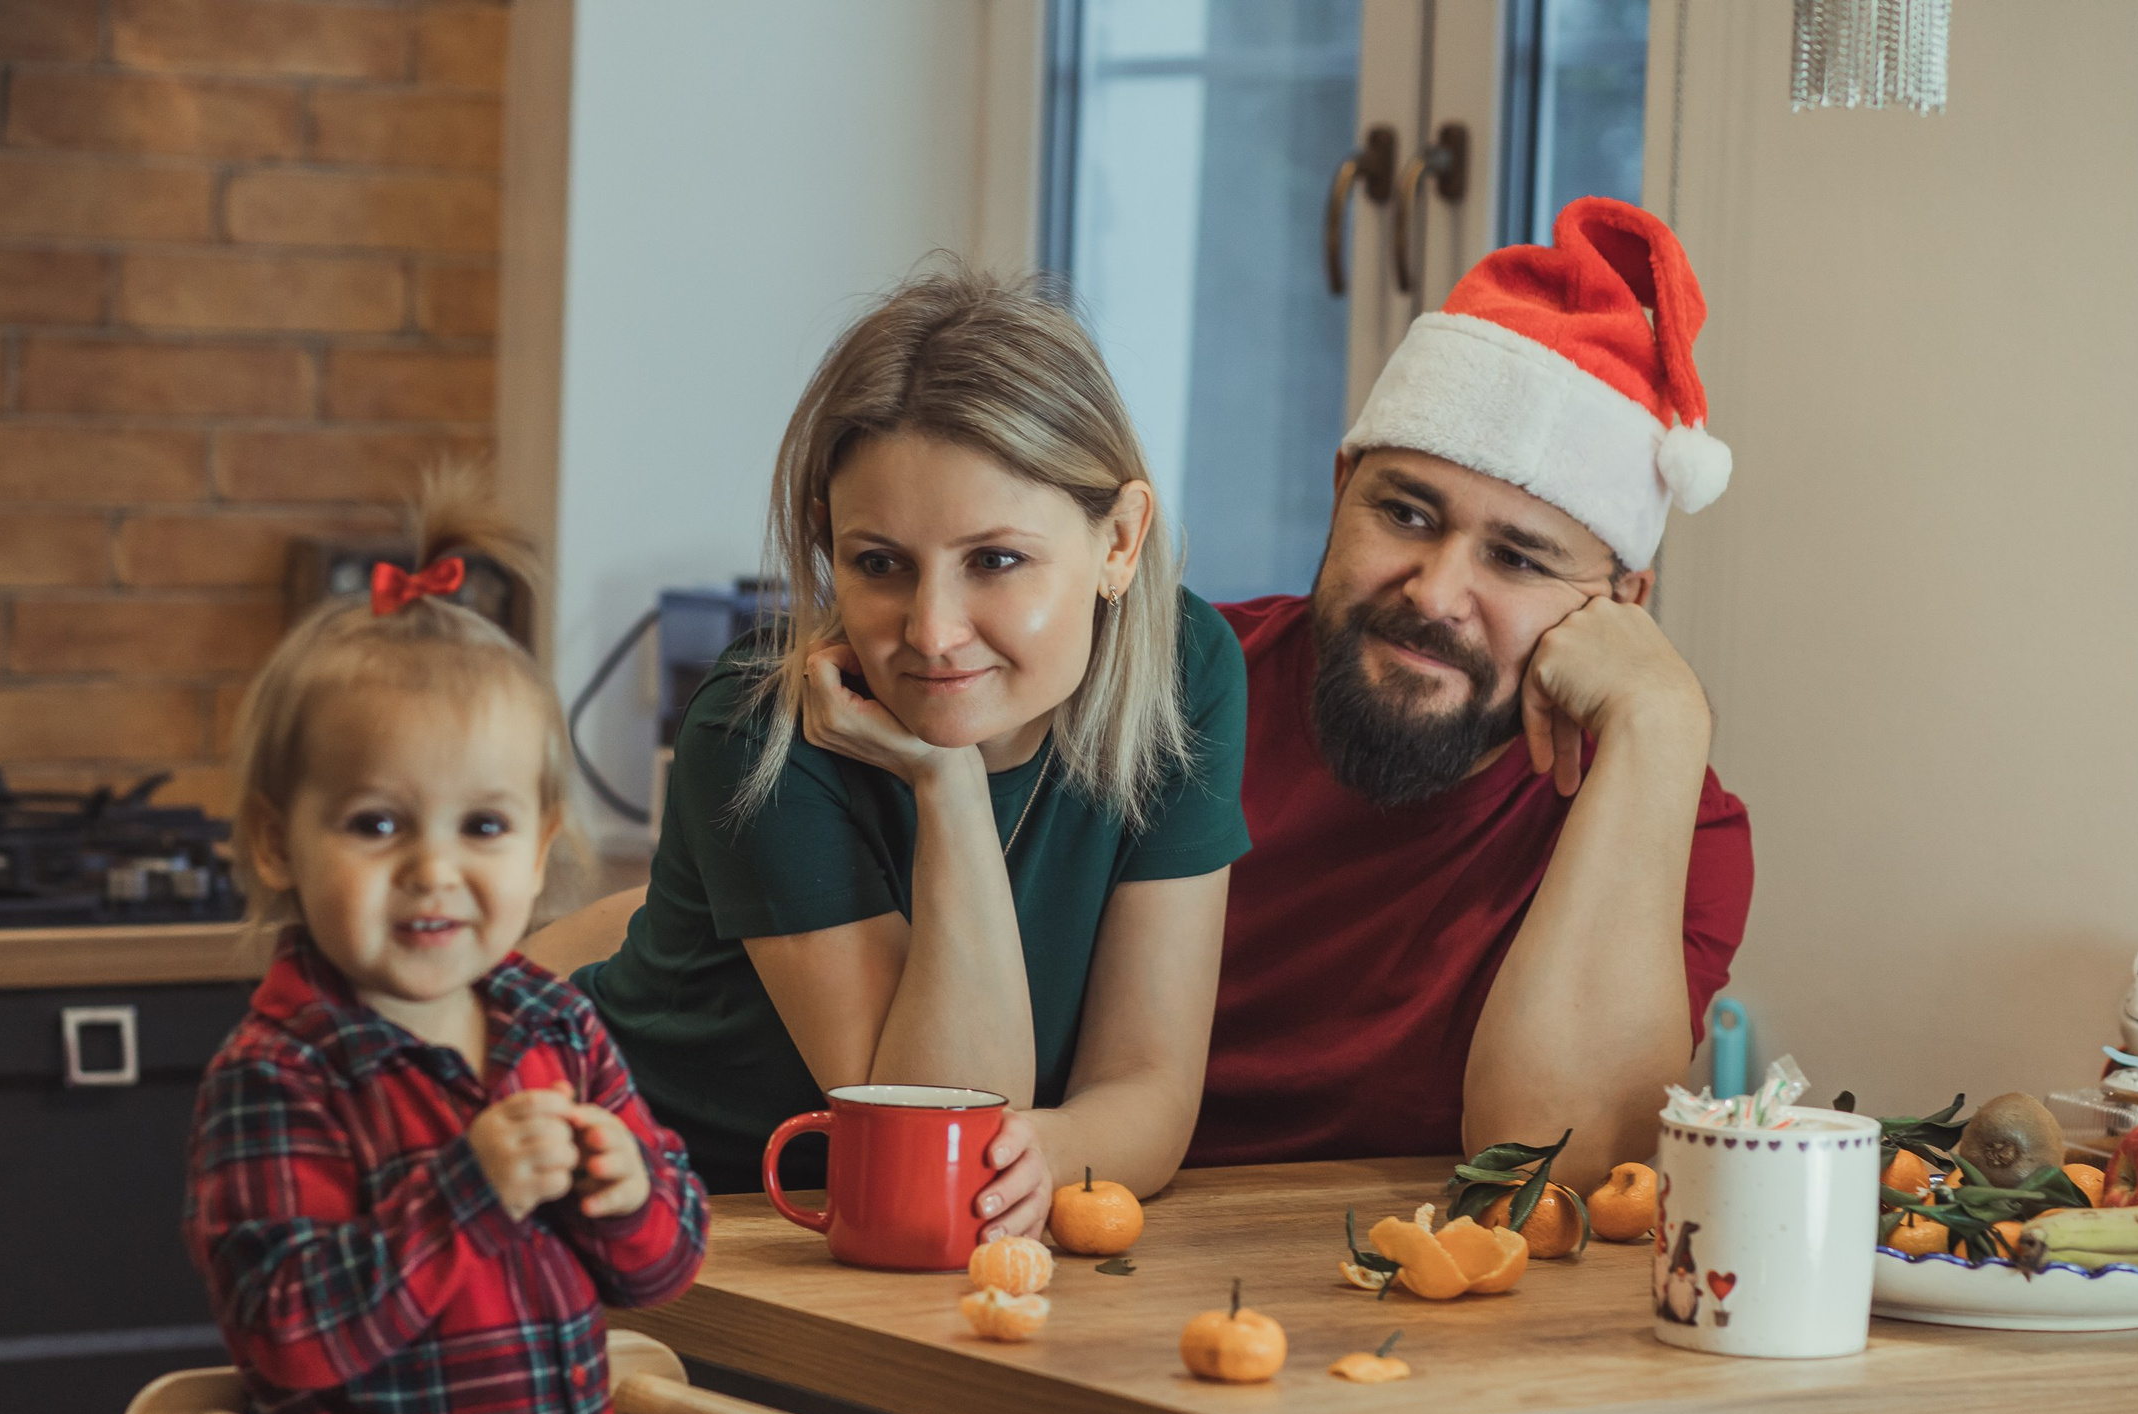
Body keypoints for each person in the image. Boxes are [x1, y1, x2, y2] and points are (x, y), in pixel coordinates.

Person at [565, 270, 1251, 1233]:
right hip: (663, 1215)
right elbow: (934, 1130)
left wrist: (1047, 1152)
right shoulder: (755, 729)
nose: (932, 632)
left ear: (1121, 541)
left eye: (995, 560)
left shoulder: (1184, 672)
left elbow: (1147, 1089)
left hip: (891, 1242)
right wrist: (948, 779)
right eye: (879, 564)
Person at [184, 476, 707, 1414]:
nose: (433, 869)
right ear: (276, 841)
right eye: (377, 825)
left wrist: (629, 1192)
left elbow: (668, 1262)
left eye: (481, 827)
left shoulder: (555, 1022)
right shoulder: (278, 1073)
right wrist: (468, 1189)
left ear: (540, 843)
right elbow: (288, 1335)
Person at [1195, 198, 1755, 1192]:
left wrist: (1664, 720)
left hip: (1425, 1276)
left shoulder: (1680, 823)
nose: (1436, 593)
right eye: (1406, 515)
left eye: (1518, 559)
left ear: (1621, 603)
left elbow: (1553, 1165)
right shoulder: (1174, 688)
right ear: (1341, 488)